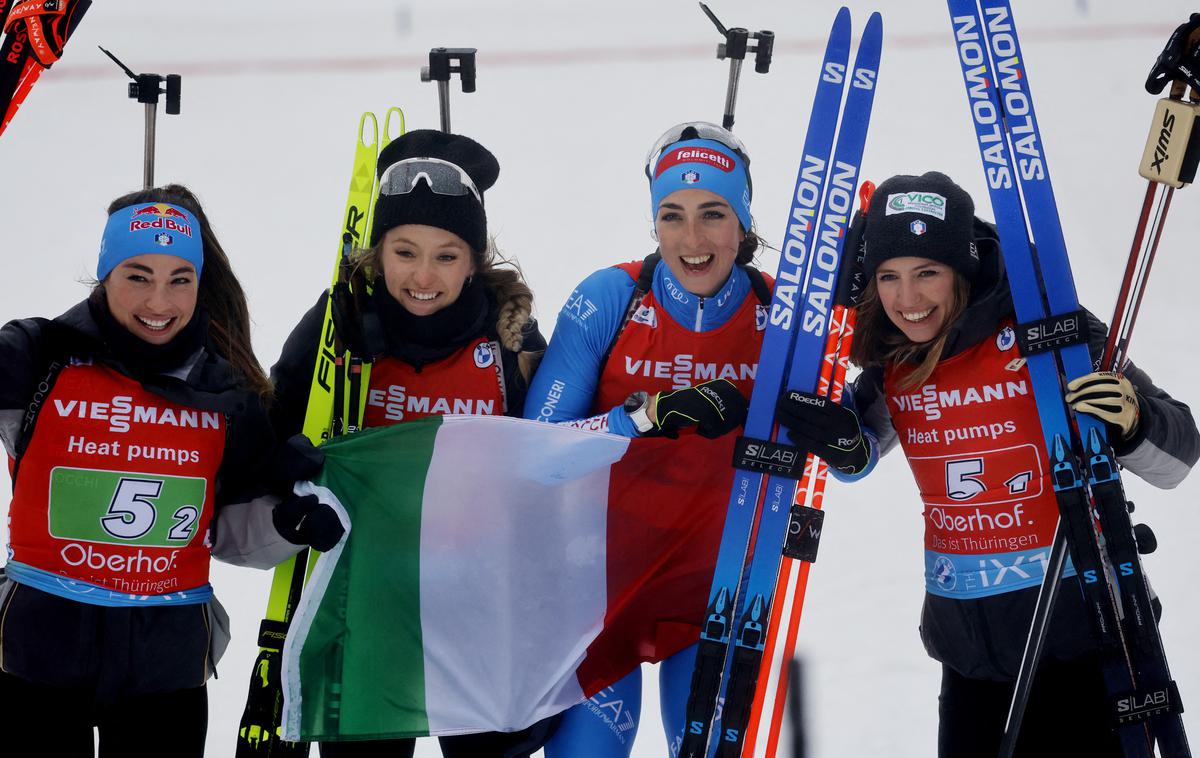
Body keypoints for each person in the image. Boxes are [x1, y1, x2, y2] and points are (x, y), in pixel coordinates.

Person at [777, 171, 1200, 757]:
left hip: (1084, 639)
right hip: (970, 656)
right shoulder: (894, 362)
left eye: (928, 273)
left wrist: (1133, 423)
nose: (908, 299)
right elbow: (859, 449)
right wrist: (842, 443)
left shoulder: (1046, 330)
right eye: (890, 277)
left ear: (963, 269)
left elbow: (1178, 458)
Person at [269, 129, 552, 758]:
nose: (423, 276)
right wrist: (288, 479)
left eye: (447, 256)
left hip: (480, 607)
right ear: (378, 250)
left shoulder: (512, 341)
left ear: (475, 260)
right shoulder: (336, 327)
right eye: (404, 251)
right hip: (368, 606)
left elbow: (557, 462)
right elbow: (269, 430)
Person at [0, 185, 306, 757]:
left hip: (164, 663)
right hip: (39, 649)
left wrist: (289, 524)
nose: (159, 302)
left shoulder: (226, 391)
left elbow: (235, 533)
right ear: (104, 274)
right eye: (137, 276)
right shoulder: (38, 354)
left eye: (179, 280)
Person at [524, 121, 763, 756]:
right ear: (652, 223)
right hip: (598, 595)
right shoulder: (610, 298)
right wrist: (643, 417)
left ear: (742, 220)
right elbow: (535, 457)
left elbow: (843, 451)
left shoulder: (779, 313)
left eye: (714, 213)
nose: (693, 240)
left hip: (718, 593)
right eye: (672, 215)